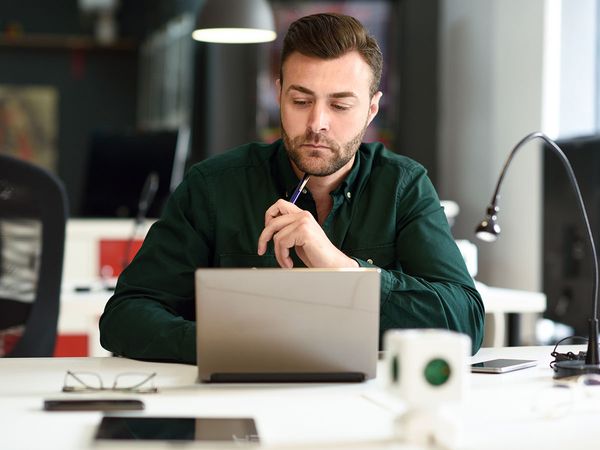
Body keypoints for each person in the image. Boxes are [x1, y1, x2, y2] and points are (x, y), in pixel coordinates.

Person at [99, 13, 485, 363]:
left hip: (363, 411)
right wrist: (227, 344)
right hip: (237, 408)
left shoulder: (403, 185)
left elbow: (465, 319)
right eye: (301, 100)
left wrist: (340, 268)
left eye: (340, 105)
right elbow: (125, 315)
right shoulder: (214, 186)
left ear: (371, 108)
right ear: (280, 94)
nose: (317, 122)